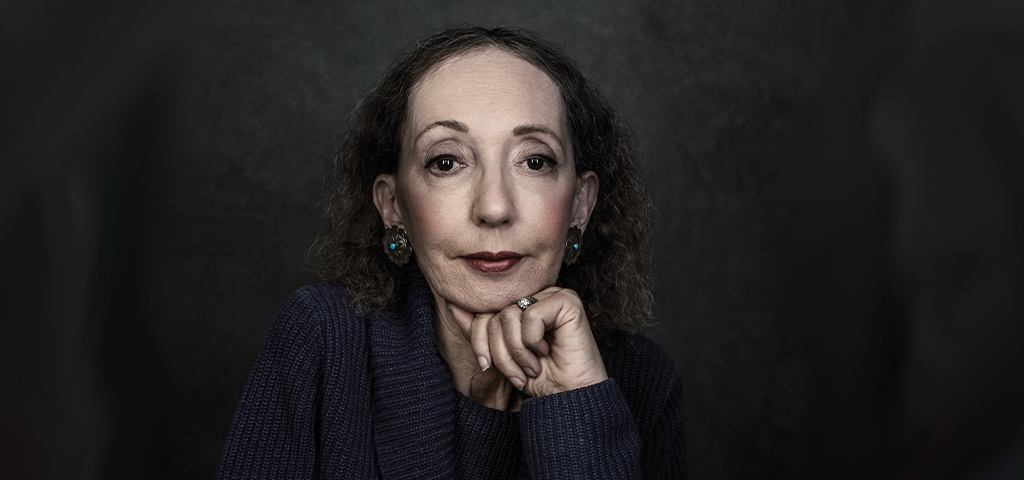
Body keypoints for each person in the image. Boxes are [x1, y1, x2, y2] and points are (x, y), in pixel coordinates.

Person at [218, 25, 687, 479]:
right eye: (447, 162)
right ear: (393, 205)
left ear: (580, 204)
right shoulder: (321, 337)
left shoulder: (642, 380)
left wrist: (576, 409)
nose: (494, 208)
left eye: (535, 161)